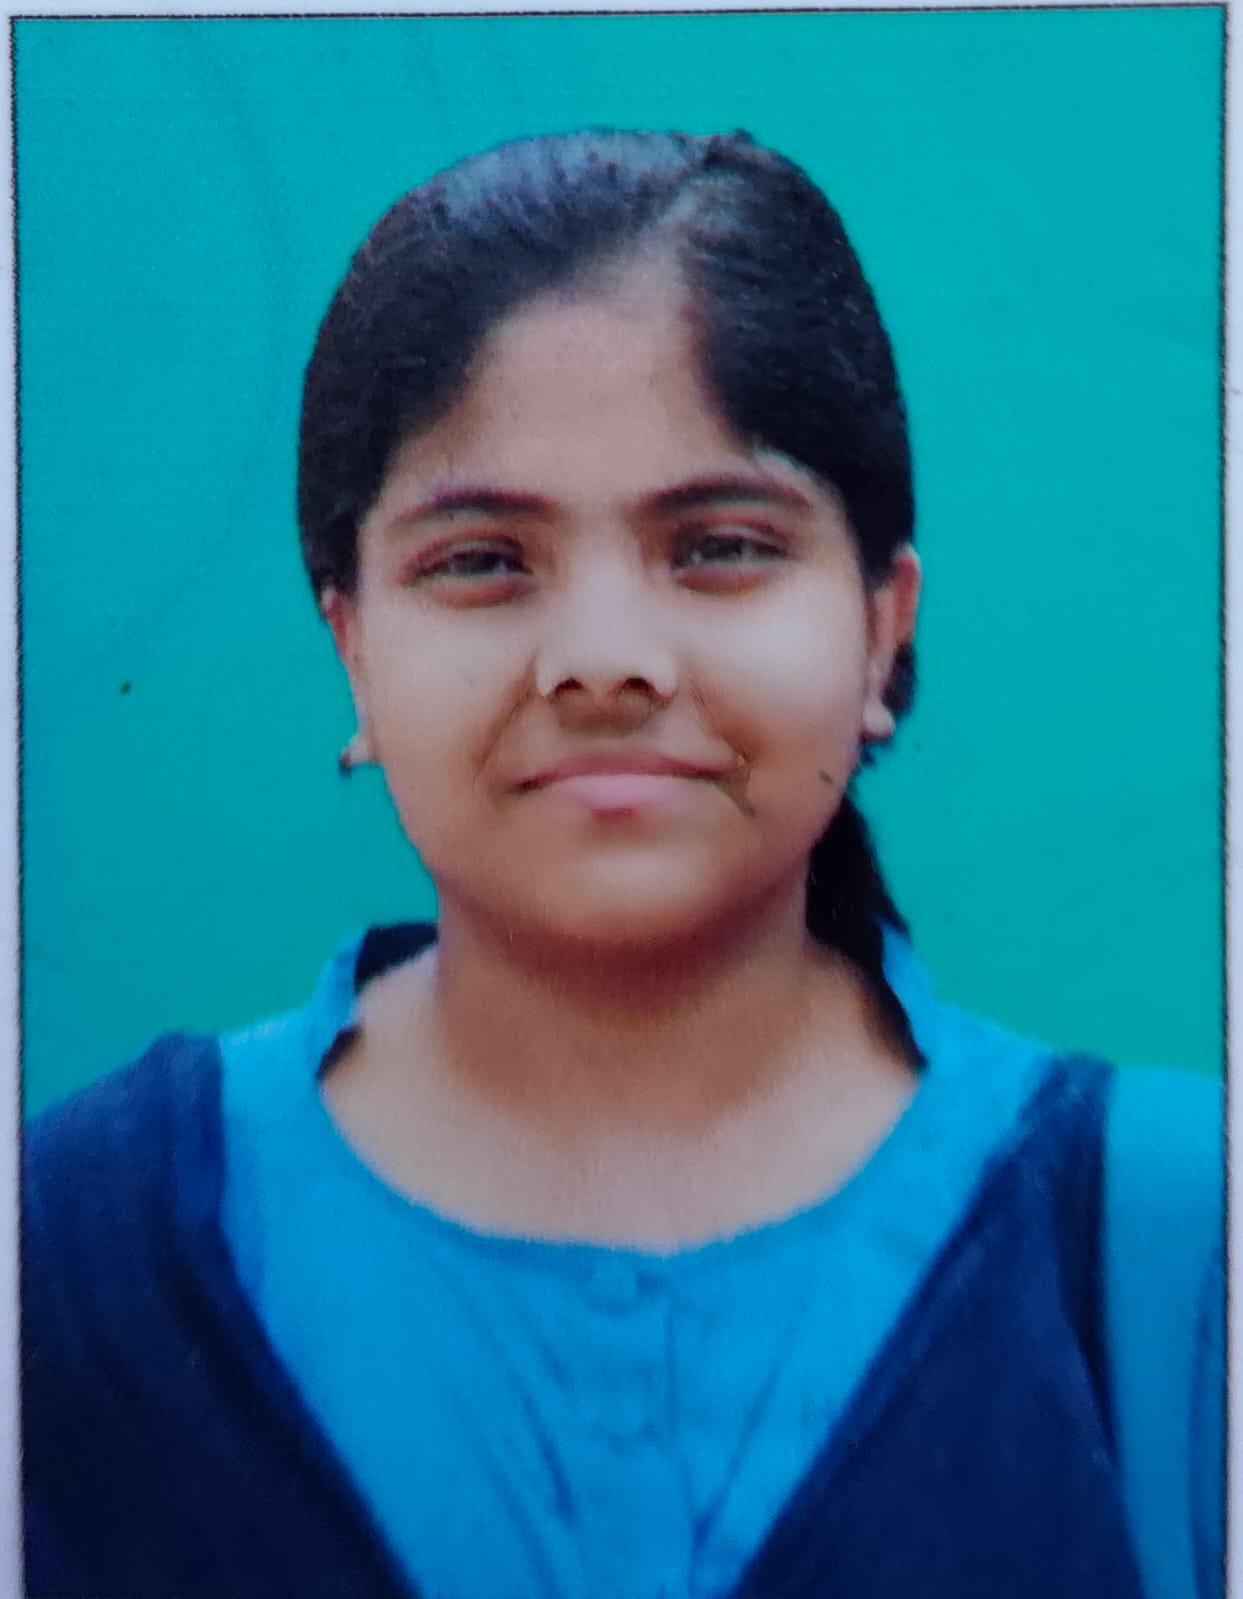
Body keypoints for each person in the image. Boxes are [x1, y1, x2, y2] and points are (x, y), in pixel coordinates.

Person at [22, 129, 1223, 1599]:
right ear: (352, 645)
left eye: (719, 545)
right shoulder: (71, 1250)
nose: (603, 661)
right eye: (483, 561)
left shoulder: (1171, 1247)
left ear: (881, 628)